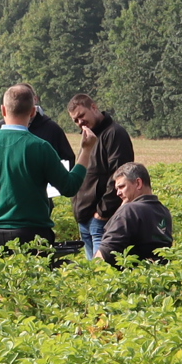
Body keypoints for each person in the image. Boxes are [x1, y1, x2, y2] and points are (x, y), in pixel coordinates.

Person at [0, 84, 80, 249]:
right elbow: (69, 187)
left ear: (3, 110)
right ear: (33, 112)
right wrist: (85, 153)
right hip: (35, 232)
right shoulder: (40, 146)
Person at [68, 96, 136, 260]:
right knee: (93, 277)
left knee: (101, 275)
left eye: (81, 115)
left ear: (94, 107)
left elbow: (120, 177)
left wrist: (102, 213)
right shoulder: (89, 137)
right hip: (86, 220)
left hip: (101, 221)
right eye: (75, 120)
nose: (79, 122)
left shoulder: (114, 134)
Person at [100, 162, 174, 262]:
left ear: (138, 183)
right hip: (158, 273)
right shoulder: (164, 211)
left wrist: (91, 270)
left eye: (121, 187)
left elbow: (108, 250)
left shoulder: (130, 210)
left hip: (129, 273)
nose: (118, 193)